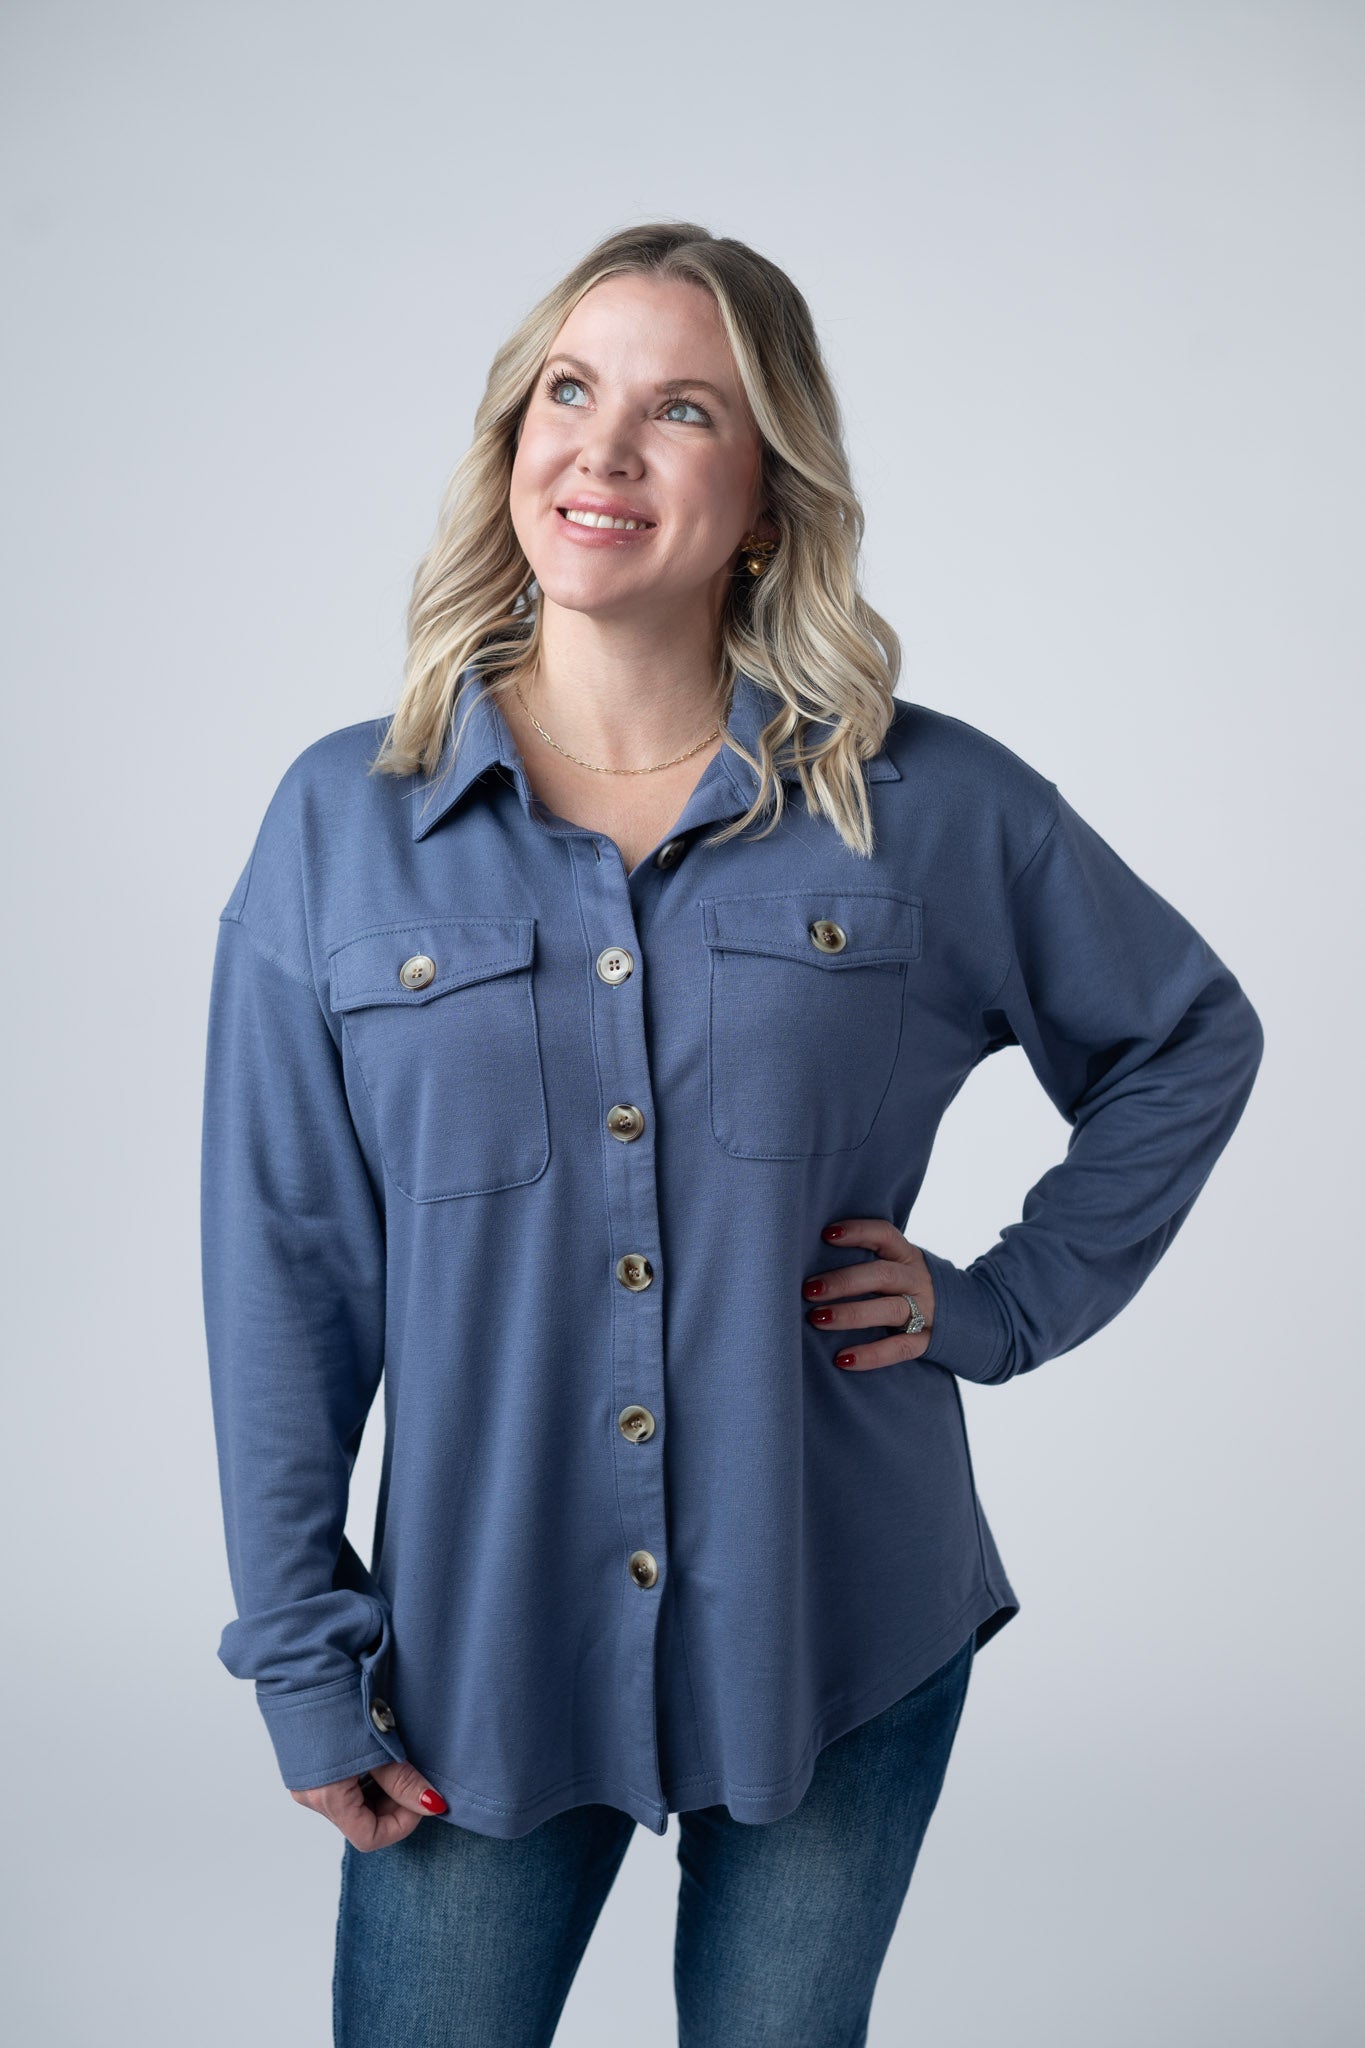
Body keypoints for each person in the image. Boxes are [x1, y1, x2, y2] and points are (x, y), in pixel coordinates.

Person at [200, 221, 1265, 2047]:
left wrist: (1001, 1302)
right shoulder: (340, 824)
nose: (604, 449)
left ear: (766, 495)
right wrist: (305, 1659)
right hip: (476, 1650)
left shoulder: (922, 804)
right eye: (569, 392)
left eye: (682, 410)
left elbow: (1182, 1034)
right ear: (513, 440)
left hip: (838, 1615)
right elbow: (282, 1272)